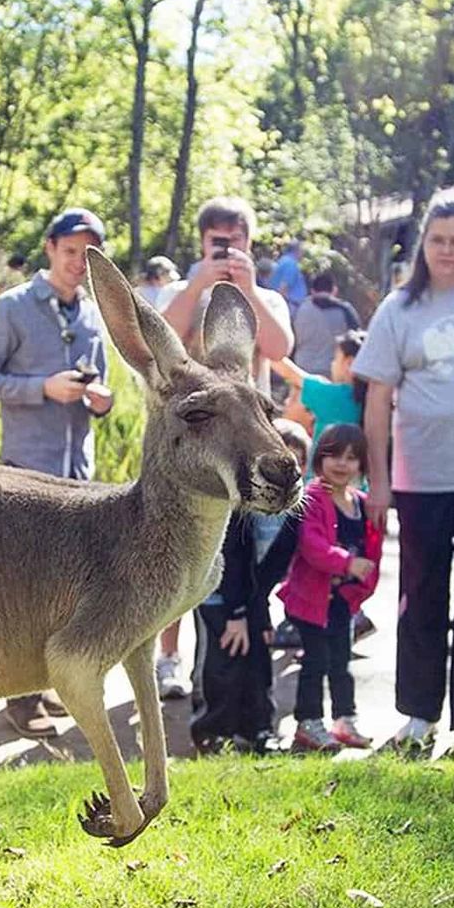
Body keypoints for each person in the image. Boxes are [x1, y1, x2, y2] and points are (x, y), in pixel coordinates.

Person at [0, 206, 114, 737]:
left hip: (77, 476)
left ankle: (48, 684)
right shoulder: (13, 307)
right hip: (25, 471)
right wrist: (42, 388)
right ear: (51, 248)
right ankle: (19, 698)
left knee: (64, 591)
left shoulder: (94, 315)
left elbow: (98, 386)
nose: (79, 263)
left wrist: (100, 400)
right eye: (71, 252)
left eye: (89, 255)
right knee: (22, 592)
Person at [154, 196, 293, 699]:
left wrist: (248, 290)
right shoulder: (181, 290)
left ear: (249, 243)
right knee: (172, 557)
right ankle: (167, 658)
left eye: (235, 240)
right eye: (218, 241)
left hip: (244, 450)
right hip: (189, 450)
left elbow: (278, 349)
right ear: (202, 242)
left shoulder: (266, 297)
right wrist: (198, 285)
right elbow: (161, 338)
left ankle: (240, 658)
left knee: (241, 560)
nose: (227, 249)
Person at [354, 195, 454, 754]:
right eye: (438, 239)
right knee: (420, 597)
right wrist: (377, 481)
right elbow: (378, 400)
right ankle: (418, 717)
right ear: (423, 246)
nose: (447, 250)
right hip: (420, 479)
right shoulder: (398, 311)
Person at [190, 419, 310, 755]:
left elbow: (269, 573)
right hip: (220, 595)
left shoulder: (294, 513)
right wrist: (238, 614)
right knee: (225, 659)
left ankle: (258, 729)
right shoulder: (242, 506)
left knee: (259, 656)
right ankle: (212, 730)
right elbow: (233, 563)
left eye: (297, 462)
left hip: (251, 599)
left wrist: (257, 615)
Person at [278, 424, 382, 752]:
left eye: (351, 458)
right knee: (316, 661)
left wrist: (362, 581)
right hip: (311, 599)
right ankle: (308, 724)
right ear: (319, 459)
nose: (341, 464)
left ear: (361, 466)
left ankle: (344, 720)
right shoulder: (312, 498)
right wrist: (346, 563)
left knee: (341, 662)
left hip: (341, 601)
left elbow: (372, 548)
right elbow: (312, 545)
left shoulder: (361, 502)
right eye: (334, 455)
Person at [272, 329, 366, 461]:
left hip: (323, 478)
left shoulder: (335, 396)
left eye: (335, 359)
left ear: (349, 363)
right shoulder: (371, 401)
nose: (332, 364)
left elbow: (289, 373)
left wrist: (266, 345)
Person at [291, 271, 360, 375]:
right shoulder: (345, 310)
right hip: (332, 371)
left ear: (312, 290)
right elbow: (356, 341)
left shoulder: (300, 309)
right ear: (334, 290)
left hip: (301, 370)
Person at [268, 237, 308, 316]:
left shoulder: (283, 261)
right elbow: (284, 287)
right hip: (290, 306)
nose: (303, 253)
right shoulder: (290, 264)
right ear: (297, 251)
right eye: (302, 250)